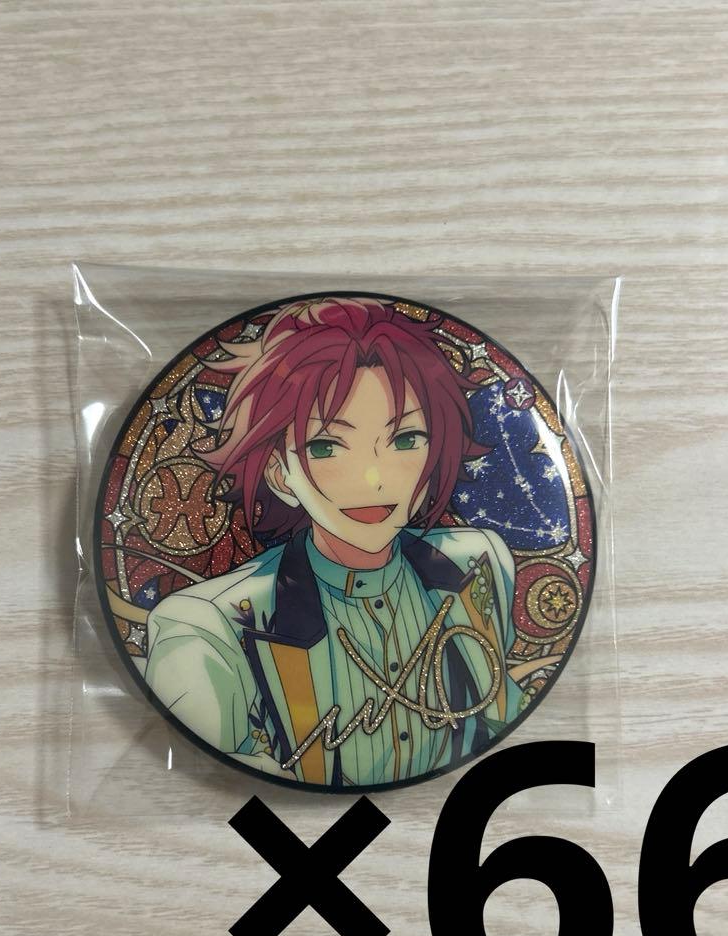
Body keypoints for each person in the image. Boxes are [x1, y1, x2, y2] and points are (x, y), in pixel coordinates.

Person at [143, 296, 522, 786]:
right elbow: (214, 784)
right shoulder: (209, 628)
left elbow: (501, 716)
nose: (373, 480)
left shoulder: (480, 565)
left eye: (406, 440)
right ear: (280, 474)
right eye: (325, 446)